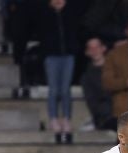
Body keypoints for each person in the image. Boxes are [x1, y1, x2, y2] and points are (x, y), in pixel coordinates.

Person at [37, 0, 78, 144]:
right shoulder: (44, 13)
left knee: (65, 89)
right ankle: (53, 119)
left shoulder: (71, 12)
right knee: (54, 89)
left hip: (68, 55)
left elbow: (75, 30)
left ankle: (66, 118)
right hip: (51, 55)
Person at [80, 38, 116, 131]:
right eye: (91, 48)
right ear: (87, 52)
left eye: (97, 47)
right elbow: (92, 102)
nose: (94, 51)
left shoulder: (116, 69)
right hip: (105, 116)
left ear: (103, 48)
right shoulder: (87, 77)